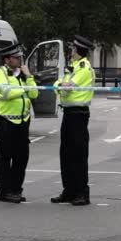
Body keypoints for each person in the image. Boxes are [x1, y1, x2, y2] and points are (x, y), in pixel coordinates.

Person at [0, 43, 39, 203]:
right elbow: (7, 93)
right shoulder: (0, 74)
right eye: (16, 58)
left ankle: (16, 189)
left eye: (19, 57)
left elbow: (34, 93)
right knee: (5, 159)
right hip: (6, 121)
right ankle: (5, 191)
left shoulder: (22, 74)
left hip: (23, 122)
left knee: (21, 158)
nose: (19, 60)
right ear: (7, 60)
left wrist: (29, 77)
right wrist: (24, 88)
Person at [51, 35, 95, 206]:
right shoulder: (74, 67)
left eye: (72, 49)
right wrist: (59, 86)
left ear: (78, 51)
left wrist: (59, 86)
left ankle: (81, 193)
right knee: (66, 154)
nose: (70, 51)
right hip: (68, 113)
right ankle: (69, 190)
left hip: (78, 114)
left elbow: (66, 88)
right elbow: (59, 85)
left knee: (78, 155)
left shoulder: (83, 68)